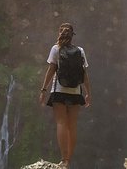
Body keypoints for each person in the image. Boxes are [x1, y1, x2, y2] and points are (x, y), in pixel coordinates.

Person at [38, 23, 91, 168]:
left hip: (59, 90)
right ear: (72, 35)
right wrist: (88, 93)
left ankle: (63, 158)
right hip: (75, 91)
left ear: (60, 33)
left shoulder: (56, 49)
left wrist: (43, 90)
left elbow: (51, 70)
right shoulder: (80, 51)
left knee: (61, 123)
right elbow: (84, 74)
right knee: (72, 125)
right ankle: (68, 161)